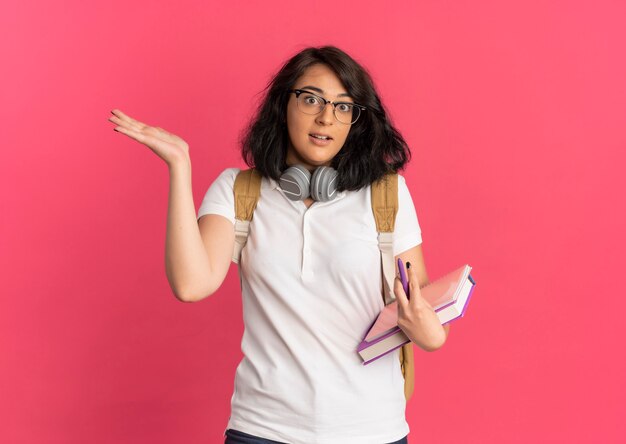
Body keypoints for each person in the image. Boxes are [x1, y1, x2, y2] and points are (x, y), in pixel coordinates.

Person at [108, 45, 449, 444]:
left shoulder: (386, 195)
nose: (326, 117)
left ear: (356, 120)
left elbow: (425, 314)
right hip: (262, 429)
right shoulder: (240, 191)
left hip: (371, 431)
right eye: (311, 100)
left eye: (343, 107)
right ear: (282, 103)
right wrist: (180, 166)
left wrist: (429, 331)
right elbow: (190, 284)